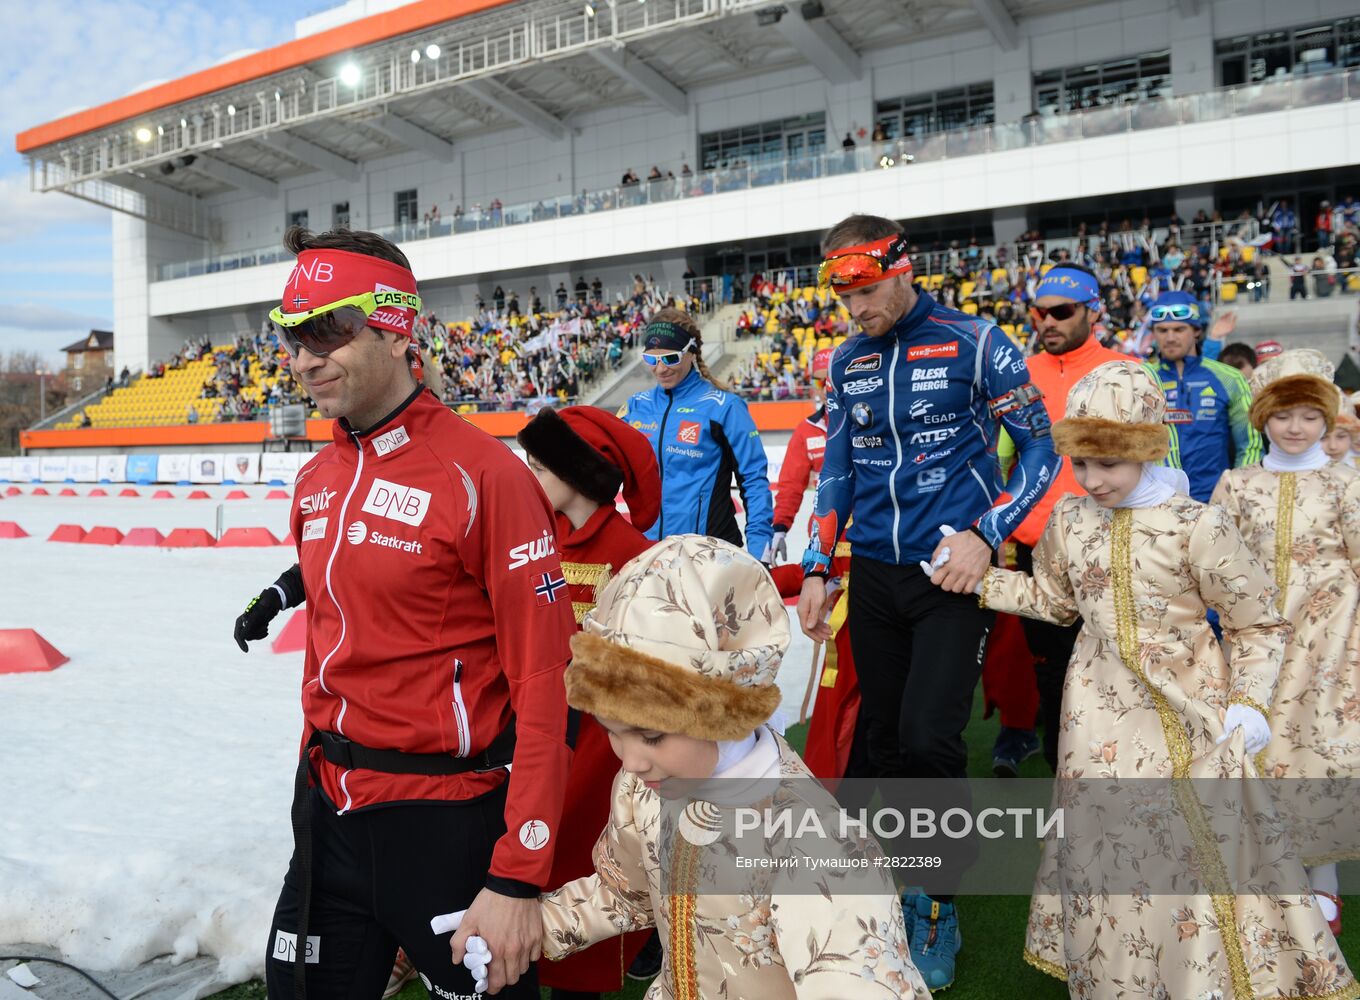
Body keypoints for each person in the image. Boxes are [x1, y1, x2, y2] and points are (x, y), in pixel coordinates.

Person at [949, 361, 1354, 997]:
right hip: (1095, 716)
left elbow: (1258, 623)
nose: (1092, 480)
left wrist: (1249, 702)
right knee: (1111, 847)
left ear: (1144, 447)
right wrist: (981, 580)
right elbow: (1056, 601)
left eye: (1108, 463)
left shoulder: (1197, 524)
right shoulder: (1068, 521)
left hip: (1192, 710)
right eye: (1080, 464)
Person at [258, 226, 576, 1000]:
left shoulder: (484, 475)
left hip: (449, 825)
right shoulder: (315, 480)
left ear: (396, 326)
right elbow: (329, 645)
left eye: (327, 331)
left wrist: (517, 875)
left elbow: (547, 682)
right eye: (293, 336)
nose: (304, 359)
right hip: (327, 812)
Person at [797, 214, 1060, 990]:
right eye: (845, 296)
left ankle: (939, 899)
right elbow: (838, 469)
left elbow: (1043, 449)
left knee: (928, 735)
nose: (857, 309)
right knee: (882, 740)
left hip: (952, 570)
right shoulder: (847, 360)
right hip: (873, 575)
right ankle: (907, 872)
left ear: (903, 269)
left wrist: (988, 533)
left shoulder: (980, 342)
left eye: (869, 290)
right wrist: (818, 565)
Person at [527, 534, 932, 1000]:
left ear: (723, 711)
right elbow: (624, 893)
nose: (630, 760)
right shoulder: (644, 786)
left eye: (652, 734)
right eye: (610, 731)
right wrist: (524, 929)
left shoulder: (819, 848)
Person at [1211, 349, 1360, 936]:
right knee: (1254, 750)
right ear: (1263, 418)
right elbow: (1217, 563)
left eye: (1308, 416)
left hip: (1332, 644)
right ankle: (1262, 880)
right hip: (1254, 646)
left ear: (1328, 420)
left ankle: (1323, 884)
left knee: (1317, 751)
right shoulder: (1237, 483)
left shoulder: (1345, 484)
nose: (1295, 428)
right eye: (1283, 416)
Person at [515, 405, 660, 999]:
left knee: (587, 869)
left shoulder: (632, 553)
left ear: (580, 472)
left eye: (540, 465)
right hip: (538, 738)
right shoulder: (532, 541)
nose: (529, 476)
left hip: (601, 751)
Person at [994, 263, 1127, 775]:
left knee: (1116, 667)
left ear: (1092, 311)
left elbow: (1163, 460)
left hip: (1110, 542)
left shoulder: (1125, 369)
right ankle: (1063, 780)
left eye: (1061, 312)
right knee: (1050, 675)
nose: (1047, 321)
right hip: (1036, 548)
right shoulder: (1019, 373)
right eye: (1039, 312)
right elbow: (999, 456)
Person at [616, 308, 773, 561]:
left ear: (691, 352)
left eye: (670, 358)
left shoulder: (724, 407)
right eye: (651, 359)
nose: (659, 369)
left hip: (707, 554)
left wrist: (760, 551)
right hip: (647, 555)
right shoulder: (636, 406)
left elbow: (754, 481)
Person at [1146, 290, 1261, 501]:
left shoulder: (1230, 378)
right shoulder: (1142, 378)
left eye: (1179, 329)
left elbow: (1250, 442)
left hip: (1215, 500)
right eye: (1162, 330)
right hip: (1158, 505)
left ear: (1196, 331)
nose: (1170, 338)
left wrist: (1237, 489)